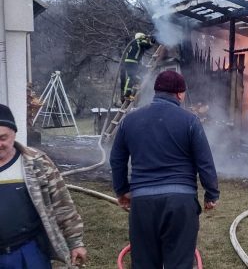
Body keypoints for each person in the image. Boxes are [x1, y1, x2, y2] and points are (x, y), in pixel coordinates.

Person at [110, 70, 219, 269]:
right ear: (179, 94)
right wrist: (211, 194)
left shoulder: (130, 121)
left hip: (142, 203)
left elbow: (117, 160)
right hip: (181, 204)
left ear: (157, 91)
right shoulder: (190, 121)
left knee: (144, 263)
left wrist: (122, 191)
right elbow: (205, 161)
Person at [0, 104, 87, 268]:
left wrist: (75, 242)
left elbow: (62, 204)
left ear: (14, 134)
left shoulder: (37, 162)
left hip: (28, 250)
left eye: (3, 138)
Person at [120, 32, 155, 103]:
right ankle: (127, 94)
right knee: (131, 77)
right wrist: (151, 41)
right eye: (144, 37)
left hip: (132, 62)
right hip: (132, 62)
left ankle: (137, 82)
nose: (145, 39)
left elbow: (145, 47)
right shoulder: (138, 41)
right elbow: (146, 45)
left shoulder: (133, 43)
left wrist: (151, 41)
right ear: (141, 37)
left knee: (142, 71)